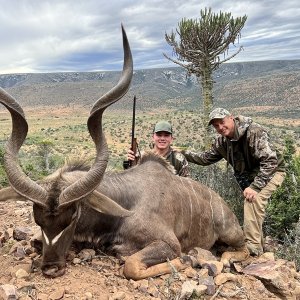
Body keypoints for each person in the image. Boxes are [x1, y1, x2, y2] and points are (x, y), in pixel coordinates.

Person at [182, 108, 286, 256]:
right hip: (252, 177)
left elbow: (270, 162)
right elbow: (205, 158)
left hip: (272, 172)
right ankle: (259, 247)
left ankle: (252, 248)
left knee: (252, 201)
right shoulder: (222, 142)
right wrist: (181, 153)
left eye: (222, 122)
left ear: (231, 118)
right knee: (252, 204)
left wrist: (255, 187)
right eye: (216, 126)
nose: (220, 127)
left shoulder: (254, 131)